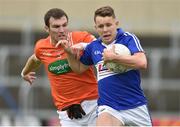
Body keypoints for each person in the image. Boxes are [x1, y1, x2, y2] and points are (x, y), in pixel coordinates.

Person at [60, 6, 152, 126]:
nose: (105, 30)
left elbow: (142, 62)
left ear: (116, 24)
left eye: (108, 25)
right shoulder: (94, 46)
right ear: (96, 28)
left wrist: (115, 58)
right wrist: (68, 53)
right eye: (101, 26)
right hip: (109, 107)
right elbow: (78, 68)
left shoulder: (128, 38)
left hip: (135, 105)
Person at [21, 8, 98, 126]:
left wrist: (83, 46)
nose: (62, 30)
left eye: (64, 25)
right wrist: (24, 73)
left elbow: (100, 45)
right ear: (47, 29)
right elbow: (35, 59)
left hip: (93, 105)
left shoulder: (80, 37)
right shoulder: (41, 47)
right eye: (56, 27)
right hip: (67, 112)